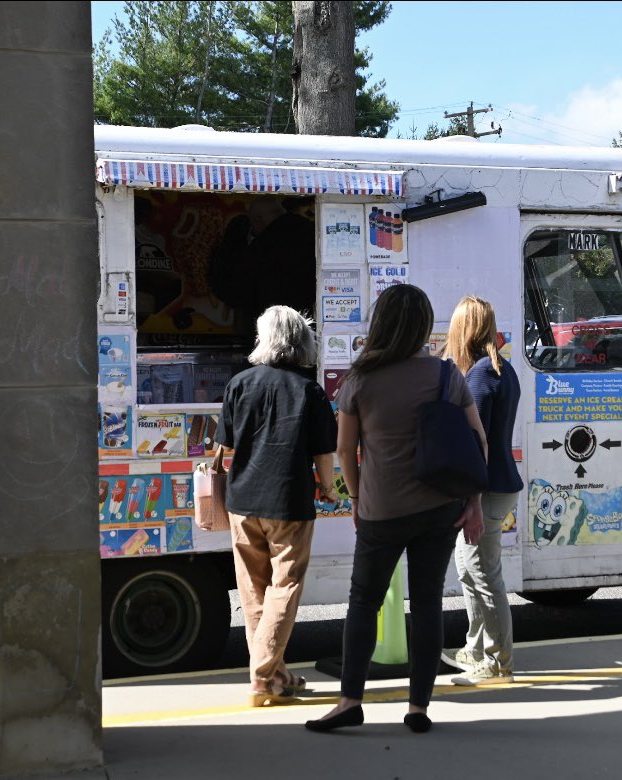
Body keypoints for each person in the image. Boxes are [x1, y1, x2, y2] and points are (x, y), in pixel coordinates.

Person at [305, 284, 486, 735]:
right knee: (427, 604)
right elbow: (477, 441)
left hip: (382, 510)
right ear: (424, 324)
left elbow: (345, 449)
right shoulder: (447, 375)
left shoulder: (361, 379)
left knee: (363, 602)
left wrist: (356, 497)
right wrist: (474, 503)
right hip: (441, 506)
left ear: (380, 323)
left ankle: (350, 701)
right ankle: (419, 708)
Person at [215, 305, 338, 707]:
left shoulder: (239, 384)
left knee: (254, 592)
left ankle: (276, 673)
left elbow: (225, 447)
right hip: (287, 502)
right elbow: (323, 454)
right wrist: (330, 490)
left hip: (242, 501)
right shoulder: (309, 391)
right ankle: (263, 676)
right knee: (284, 588)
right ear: (302, 341)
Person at [440, 295, 523, 686]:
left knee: (484, 573)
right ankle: (475, 650)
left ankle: (497, 662)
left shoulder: (476, 376)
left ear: (463, 329)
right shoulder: (502, 369)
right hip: (500, 484)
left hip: (485, 490)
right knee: (470, 567)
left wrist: (469, 498)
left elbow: (477, 445)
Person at [208, 197, 316, 327]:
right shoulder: (311, 232)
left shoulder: (263, 246)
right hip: (308, 322)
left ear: (258, 220)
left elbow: (238, 290)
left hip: (273, 325)